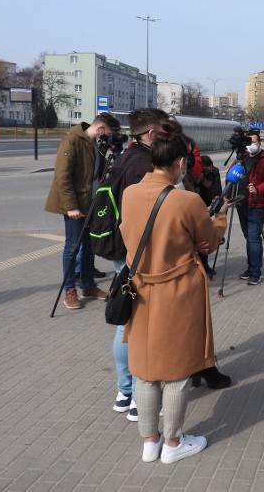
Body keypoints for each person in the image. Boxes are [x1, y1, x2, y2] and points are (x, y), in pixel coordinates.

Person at [119, 118, 229, 464]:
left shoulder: (130, 192)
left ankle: (149, 442)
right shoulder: (187, 201)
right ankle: (173, 443)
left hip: (141, 288)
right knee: (178, 371)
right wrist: (221, 218)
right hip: (177, 290)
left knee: (146, 370)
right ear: (180, 162)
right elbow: (209, 241)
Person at [105, 107, 168, 421]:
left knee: (125, 321)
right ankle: (132, 392)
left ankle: (124, 390)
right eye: (164, 130)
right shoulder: (142, 164)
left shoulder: (126, 156)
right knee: (131, 324)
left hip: (124, 247)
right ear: (153, 133)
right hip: (137, 251)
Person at [44, 112, 121, 310]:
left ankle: (88, 285)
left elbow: (99, 174)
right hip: (75, 207)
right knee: (73, 247)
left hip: (92, 205)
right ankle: (70, 290)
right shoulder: (72, 142)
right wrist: (71, 207)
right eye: (108, 134)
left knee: (89, 247)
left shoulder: (96, 145)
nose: (108, 138)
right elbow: (62, 177)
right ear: (101, 129)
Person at [232, 130, 264, 285]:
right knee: (248, 237)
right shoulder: (241, 158)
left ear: (259, 143)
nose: (251, 145)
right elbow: (232, 174)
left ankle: (256, 272)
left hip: (258, 204)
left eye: (254, 142)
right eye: (248, 142)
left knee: (254, 238)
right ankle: (250, 268)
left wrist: (258, 189)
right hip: (241, 203)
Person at [197, 155, 222, 279]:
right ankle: (202, 265)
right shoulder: (196, 174)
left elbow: (218, 191)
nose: (207, 172)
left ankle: (205, 265)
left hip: (211, 204)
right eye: (205, 170)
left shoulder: (215, 172)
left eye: (209, 170)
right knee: (201, 238)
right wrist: (198, 180)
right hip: (199, 207)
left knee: (206, 238)